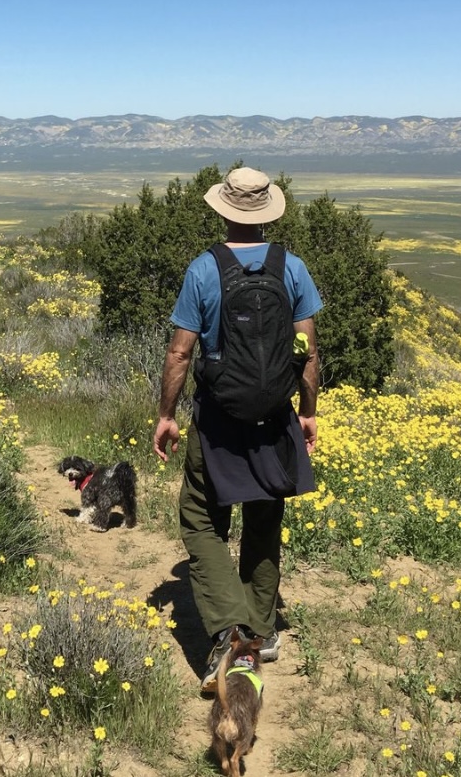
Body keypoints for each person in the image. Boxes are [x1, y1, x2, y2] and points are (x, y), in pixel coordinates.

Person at [153, 166, 323, 694]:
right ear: (267, 211)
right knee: (265, 517)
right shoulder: (291, 269)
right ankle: (261, 630)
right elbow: (307, 350)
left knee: (201, 519)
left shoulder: (204, 271)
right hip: (273, 417)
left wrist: (167, 415)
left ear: (223, 209)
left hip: (219, 420)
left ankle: (229, 631)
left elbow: (181, 352)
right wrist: (308, 409)